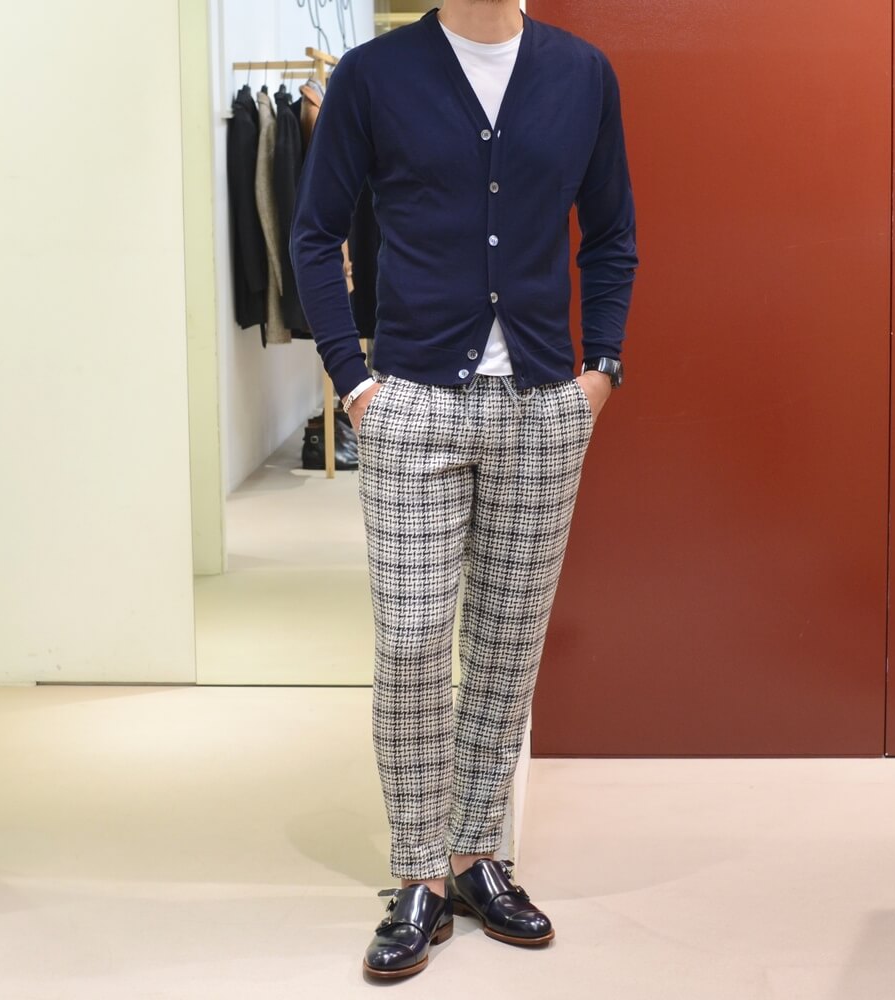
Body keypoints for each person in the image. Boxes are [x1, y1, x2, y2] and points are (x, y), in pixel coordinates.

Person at [290, 0, 637, 981]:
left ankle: (477, 855)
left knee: (506, 645)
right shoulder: (373, 76)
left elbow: (611, 233)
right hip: (411, 405)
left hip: (542, 405)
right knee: (410, 642)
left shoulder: (581, 75)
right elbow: (315, 234)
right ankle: (417, 872)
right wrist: (354, 384)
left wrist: (600, 373)